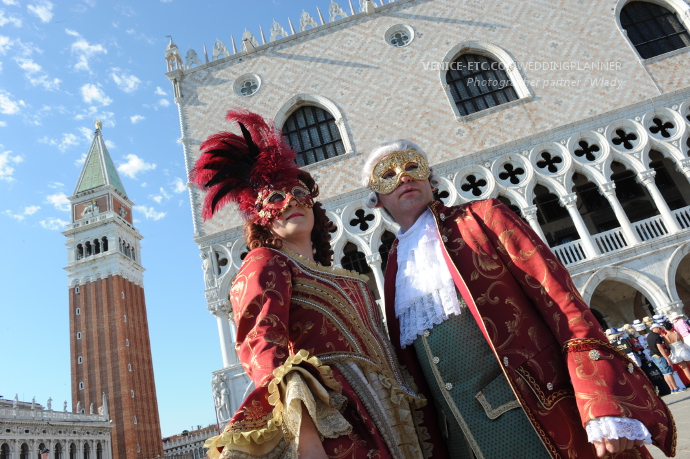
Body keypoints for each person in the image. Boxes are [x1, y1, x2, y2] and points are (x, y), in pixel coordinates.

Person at [361, 139, 676, 459]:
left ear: (432, 179)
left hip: (536, 421)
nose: (404, 177)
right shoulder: (395, 269)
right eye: (388, 174)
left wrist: (600, 398)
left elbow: (563, 305)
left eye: (413, 166)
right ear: (376, 199)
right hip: (464, 443)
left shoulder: (482, 219)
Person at [190, 112, 445, 459]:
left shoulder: (336, 275)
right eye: (275, 198)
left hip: (390, 410)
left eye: (298, 192)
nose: (291, 201)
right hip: (337, 420)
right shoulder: (266, 261)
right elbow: (263, 347)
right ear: (262, 220)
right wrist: (305, 440)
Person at [647, 322, 681, 394]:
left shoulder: (649, 336)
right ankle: (675, 388)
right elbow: (660, 348)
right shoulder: (657, 336)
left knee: (664, 373)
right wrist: (667, 358)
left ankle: (672, 389)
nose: (660, 330)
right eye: (659, 329)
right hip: (659, 355)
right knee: (668, 372)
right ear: (657, 328)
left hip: (653, 356)